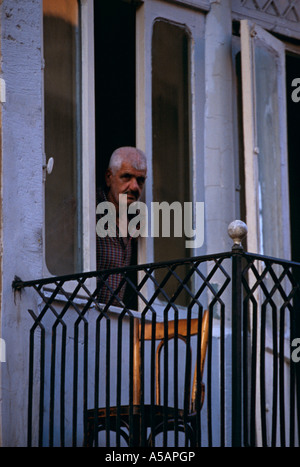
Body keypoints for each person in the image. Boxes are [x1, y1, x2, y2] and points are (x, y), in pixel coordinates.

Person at [96, 146, 147, 306]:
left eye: (140, 180)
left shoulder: (138, 222)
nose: (134, 187)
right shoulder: (85, 212)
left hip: (115, 325)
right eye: (126, 177)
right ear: (109, 177)